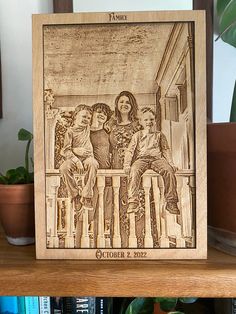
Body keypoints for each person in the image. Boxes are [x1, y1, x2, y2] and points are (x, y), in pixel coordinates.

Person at [124, 107, 179, 215]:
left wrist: (171, 163)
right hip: (142, 159)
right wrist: (127, 164)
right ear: (141, 121)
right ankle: (133, 201)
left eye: (151, 119)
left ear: (155, 120)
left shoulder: (159, 135)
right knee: (134, 171)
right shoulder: (137, 135)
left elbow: (165, 149)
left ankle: (171, 202)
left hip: (157, 159)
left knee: (168, 171)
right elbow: (130, 151)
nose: (149, 122)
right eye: (146, 120)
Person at [60, 104, 98, 209]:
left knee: (93, 164)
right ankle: (75, 195)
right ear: (76, 116)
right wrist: (76, 158)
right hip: (73, 158)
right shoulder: (70, 131)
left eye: (88, 118)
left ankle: (86, 196)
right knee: (64, 168)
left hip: (87, 158)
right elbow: (65, 150)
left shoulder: (88, 128)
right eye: (84, 116)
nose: (86, 119)